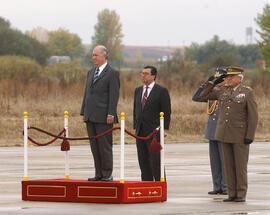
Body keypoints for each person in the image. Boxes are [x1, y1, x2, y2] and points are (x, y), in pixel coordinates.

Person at [200, 66, 258, 202]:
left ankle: (241, 193)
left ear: (239, 78)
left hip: (239, 135)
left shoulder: (247, 92)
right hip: (223, 134)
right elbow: (203, 95)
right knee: (228, 166)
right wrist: (213, 82)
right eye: (227, 77)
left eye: (231, 77)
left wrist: (250, 135)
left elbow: (253, 116)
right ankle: (231, 193)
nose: (228, 79)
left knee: (240, 166)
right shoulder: (223, 91)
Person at [80, 45, 120, 182]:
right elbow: (87, 93)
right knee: (94, 147)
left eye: (96, 55)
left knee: (104, 146)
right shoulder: (91, 72)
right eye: (92, 55)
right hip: (90, 115)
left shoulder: (112, 73)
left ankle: (107, 174)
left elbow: (114, 96)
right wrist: (83, 111)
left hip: (104, 117)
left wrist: (111, 114)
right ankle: (98, 173)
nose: (93, 58)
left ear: (104, 56)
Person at [192, 68, 227, 195]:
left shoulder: (226, 92)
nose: (218, 82)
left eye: (219, 79)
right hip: (212, 130)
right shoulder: (211, 92)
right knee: (215, 161)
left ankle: (225, 187)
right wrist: (208, 82)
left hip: (223, 130)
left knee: (224, 161)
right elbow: (196, 97)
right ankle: (217, 186)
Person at [133, 66, 171, 181]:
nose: (143, 75)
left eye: (146, 73)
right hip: (140, 131)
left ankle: (160, 185)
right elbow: (136, 110)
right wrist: (135, 126)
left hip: (154, 131)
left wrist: (164, 129)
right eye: (142, 73)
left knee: (155, 160)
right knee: (143, 160)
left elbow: (166, 111)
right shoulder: (138, 90)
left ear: (153, 76)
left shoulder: (161, 91)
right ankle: (146, 184)